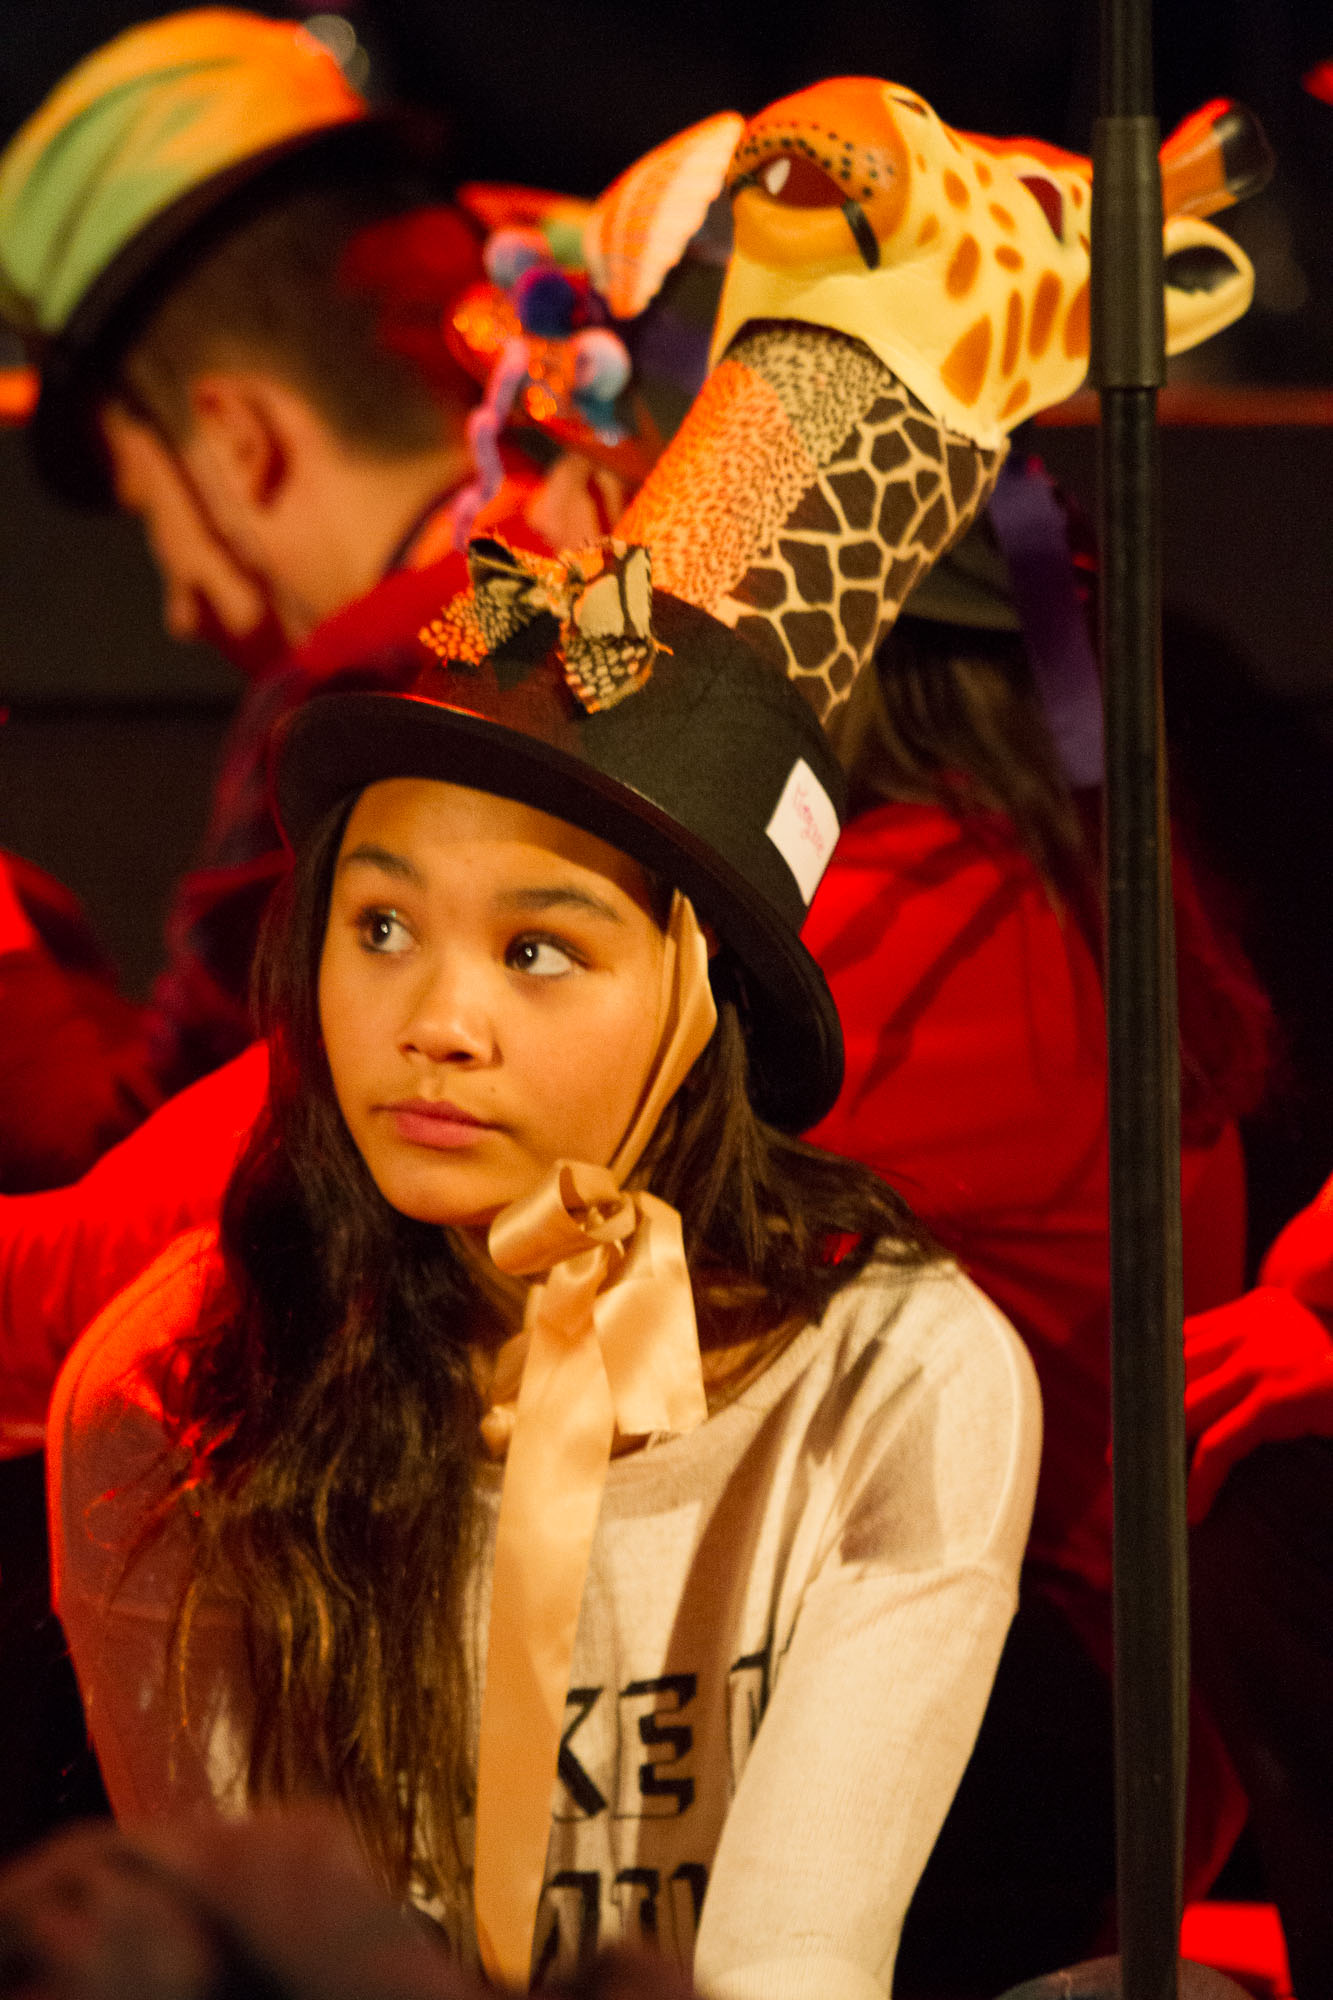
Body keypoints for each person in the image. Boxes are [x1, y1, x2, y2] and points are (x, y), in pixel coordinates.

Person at [49, 557, 1041, 1996]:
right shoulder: (175, 1393)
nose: (437, 1022)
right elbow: (263, 1953)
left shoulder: (887, 1379)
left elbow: (793, 1961)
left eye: (537, 948)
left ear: (698, 1001)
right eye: (381, 928)